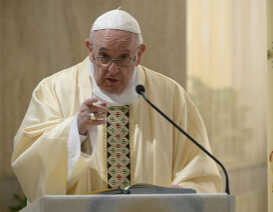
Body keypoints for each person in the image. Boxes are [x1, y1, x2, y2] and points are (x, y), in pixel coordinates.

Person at [12, 9, 222, 203]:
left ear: (139, 54)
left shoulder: (170, 94)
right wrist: (76, 129)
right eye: (103, 56)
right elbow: (29, 158)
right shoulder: (54, 89)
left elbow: (199, 165)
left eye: (123, 57)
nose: (112, 69)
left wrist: (183, 189)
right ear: (89, 49)